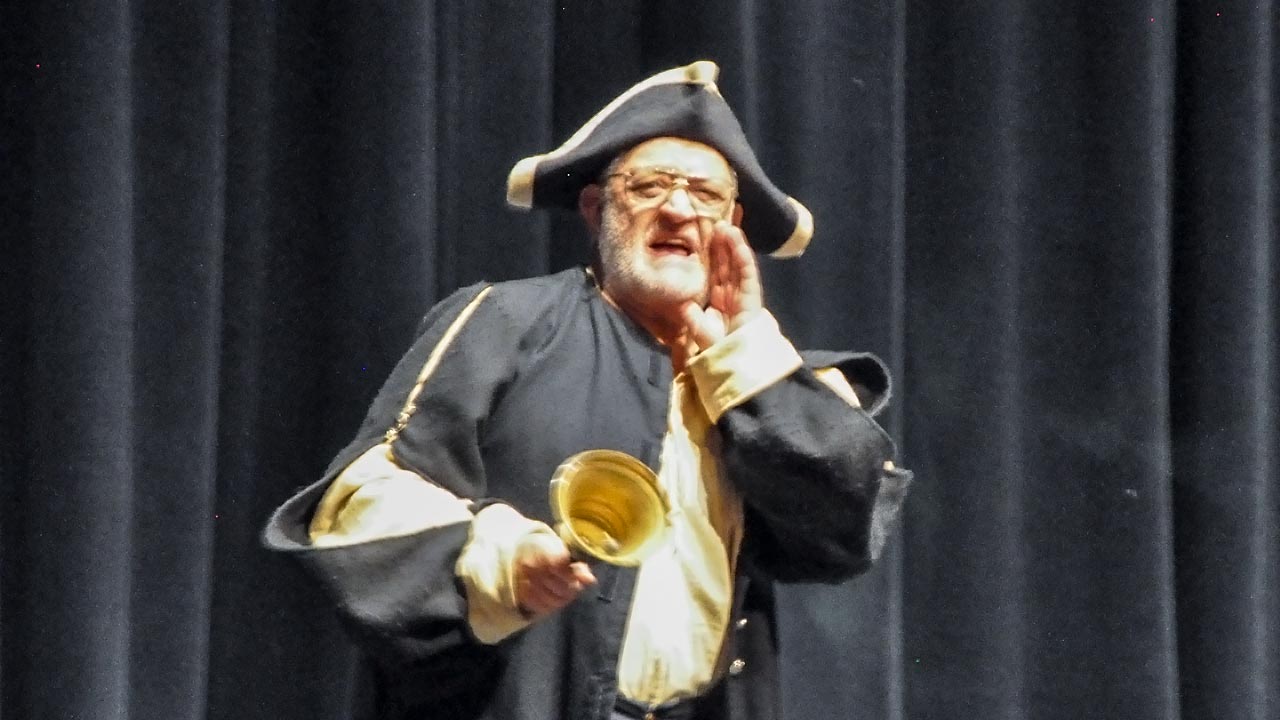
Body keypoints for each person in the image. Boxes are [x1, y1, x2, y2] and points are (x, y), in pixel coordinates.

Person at [263, 60, 912, 720]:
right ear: (598, 208)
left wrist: (745, 358)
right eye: (650, 186)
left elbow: (844, 530)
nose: (679, 208)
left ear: (732, 224)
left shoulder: (760, 375)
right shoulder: (505, 322)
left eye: (705, 195)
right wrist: (499, 562)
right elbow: (360, 498)